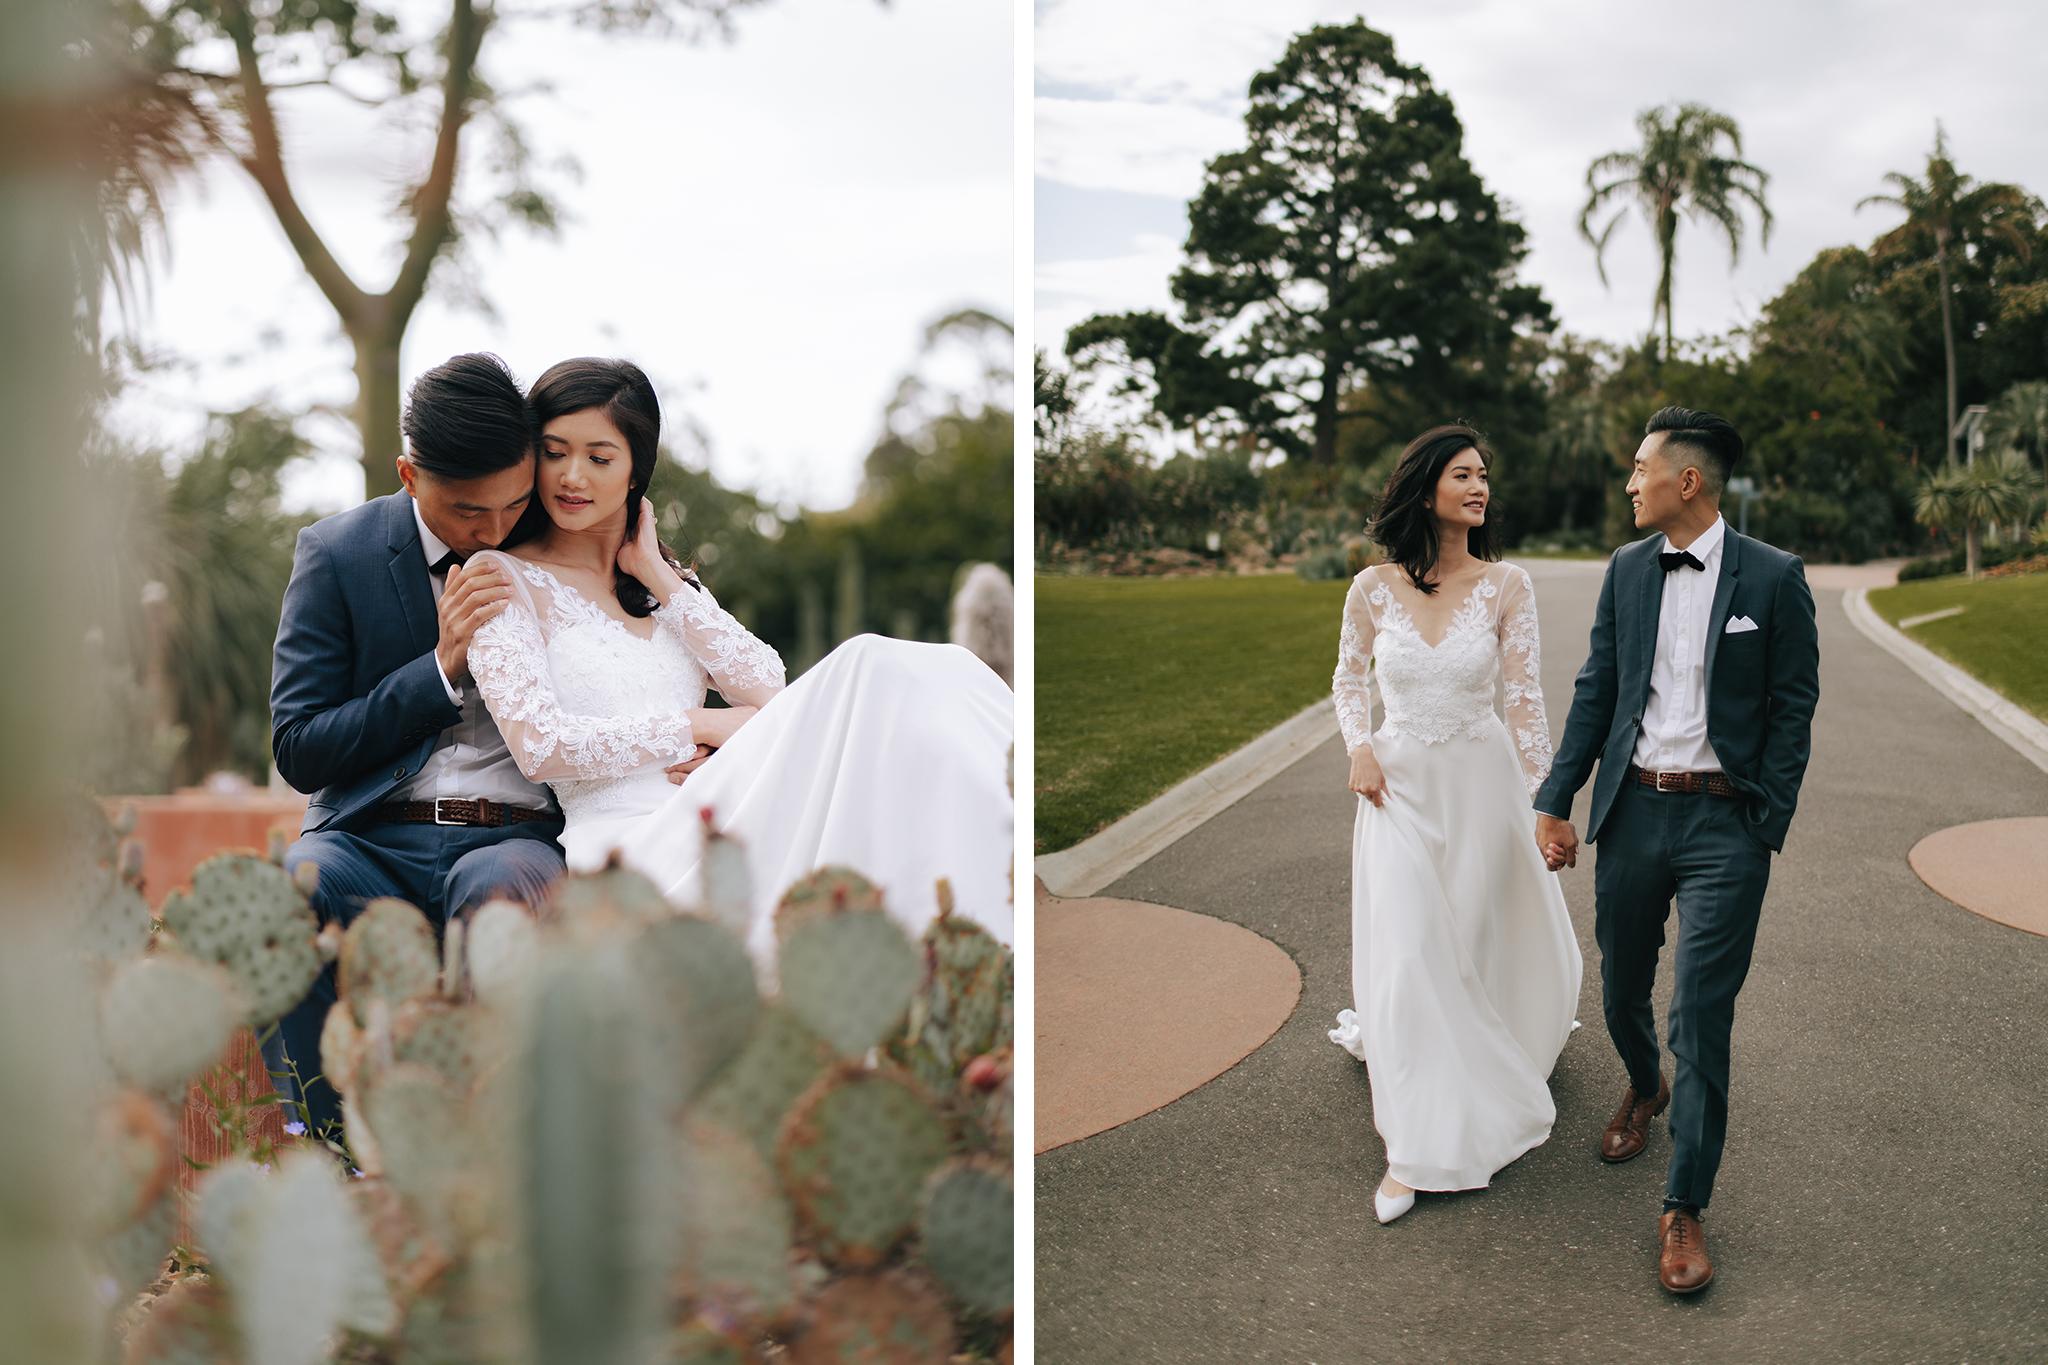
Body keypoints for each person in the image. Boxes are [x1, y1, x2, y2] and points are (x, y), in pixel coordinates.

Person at [461, 358, 1012, 972]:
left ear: (635, 470)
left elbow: (767, 688)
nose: (571, 476)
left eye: (599, 457)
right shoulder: (501, 578)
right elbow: (539, 745)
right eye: (554, 451)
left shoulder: (668, 583)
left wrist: (657, 576)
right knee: (867, 664)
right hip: (632, 845)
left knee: (926, 671)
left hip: (727, 804)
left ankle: (991, 908)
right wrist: (700, 727)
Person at [1533, 406, 1819, 1295]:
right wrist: (1556, 797)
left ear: (1685, 481)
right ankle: (1641, 1083)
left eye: (1639, 467)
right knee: (1620, 987)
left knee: (1701, 1012)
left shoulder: (1774, 578)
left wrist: (1764, 821)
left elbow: (1792, 707)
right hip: (1635, 815)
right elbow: (1596, 690)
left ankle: (1684, 1203)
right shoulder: (1625, 571)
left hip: (1725, 826)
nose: (1629, 482)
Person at [264, 353, 568, 1140]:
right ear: (408, 474)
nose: (496, 530)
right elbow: (299, 745)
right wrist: (439, 667)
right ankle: (325, 1150)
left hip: (512, 838)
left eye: (515, 501)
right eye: (470, 510)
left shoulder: (556, 548)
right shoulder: (337, 554)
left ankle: (481, 1163)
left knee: (500, 900)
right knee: (292, 887)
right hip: (370, 840)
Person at [1327, 425, 1582, 1224]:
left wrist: (1547, 800)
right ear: (1426, 484)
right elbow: (1345, 680)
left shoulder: (1508, 584)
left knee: (1467, 938)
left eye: (1485, 476)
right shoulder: (1370, 588)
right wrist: (1360, 747)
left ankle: (1479, 1051)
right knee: (1407, 953)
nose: (1480, 487)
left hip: (1481, 785)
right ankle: (1416, 1146)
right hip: (1396, 789)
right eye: (1464, 474)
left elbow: (1524, 700)